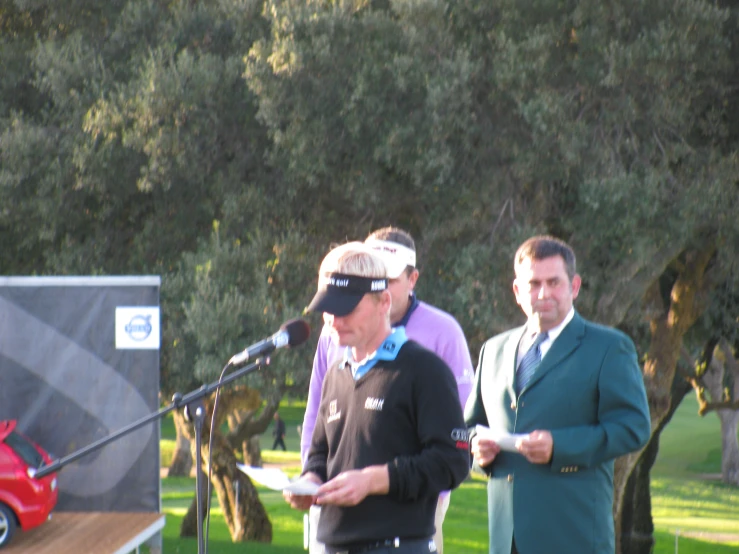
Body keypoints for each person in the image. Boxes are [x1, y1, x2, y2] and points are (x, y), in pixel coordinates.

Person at [464, 235, 651, 554]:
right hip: (505, 539)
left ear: (574, 286)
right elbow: (465, 428)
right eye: (533, 283)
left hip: (572, 535)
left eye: (554, 282)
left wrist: (559, 447)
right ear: (517, 291)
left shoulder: (609, 347)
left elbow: (633, 428)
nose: (543, 293)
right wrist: (475, 450)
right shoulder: (493, 350)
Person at [286, 242, 470, 554]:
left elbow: (453, 461)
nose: (334, 321)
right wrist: (310, 480)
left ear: (383, 301)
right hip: (333, 543)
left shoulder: (424, 370)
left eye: (347, 310)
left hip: (398, 545)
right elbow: (321, 452)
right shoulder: (337, 373)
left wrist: (375, 480)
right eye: (327, 310)